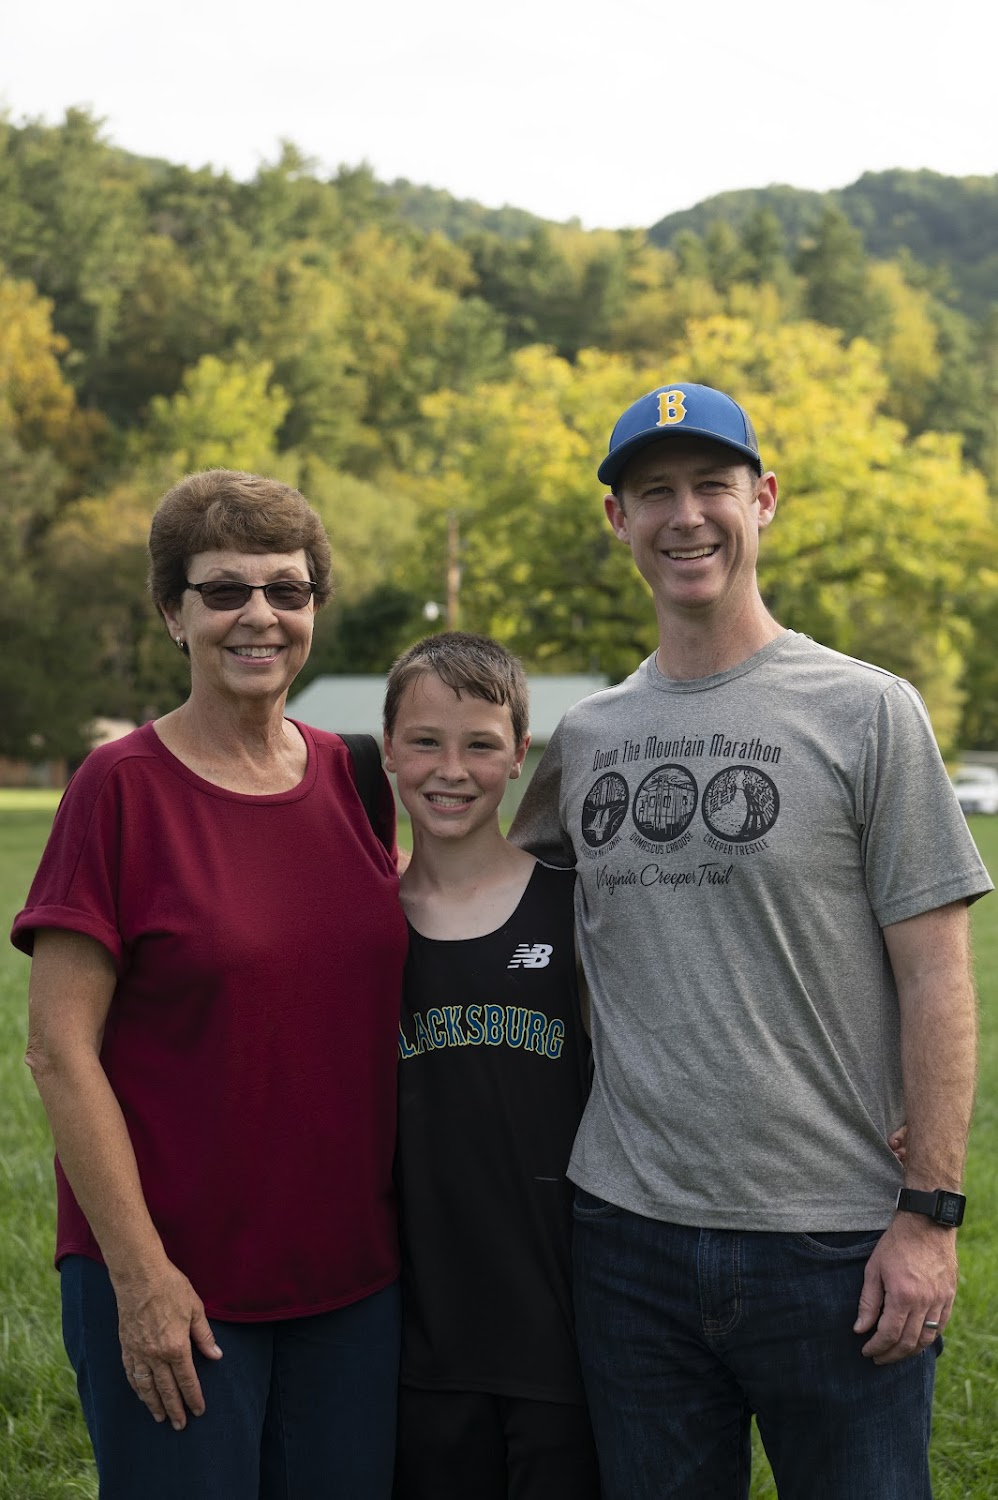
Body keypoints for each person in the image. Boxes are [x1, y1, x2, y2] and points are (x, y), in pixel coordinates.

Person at [509, 383, 993, 1499]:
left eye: (710, 487)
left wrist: (929, 1216)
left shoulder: (866, 711)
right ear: (617, 520)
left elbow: (937, 973)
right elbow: (497, 916)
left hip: (833, 1244)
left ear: (762, 499)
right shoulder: (585, 737)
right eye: (653, 493)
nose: (685, 517)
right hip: (624, 1236)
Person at [12, 470, 408, 1499]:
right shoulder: (120, 789)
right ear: (172, 614)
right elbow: (59, 1051)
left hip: (352, 1284)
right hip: (176, 1282)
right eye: (225, 590)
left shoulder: (358, 778)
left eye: (287, 589)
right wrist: (141, 1276)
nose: (259, 615)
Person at [382, 632, 600, 1500]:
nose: (451, 770)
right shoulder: (362, 924)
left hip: (561, 1333)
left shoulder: (574, 907)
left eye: (479, 744)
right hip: (416, 1342)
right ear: (389, 748)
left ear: (519, 756)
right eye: (425, 741)